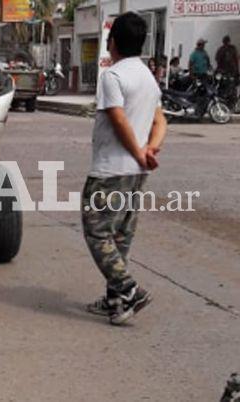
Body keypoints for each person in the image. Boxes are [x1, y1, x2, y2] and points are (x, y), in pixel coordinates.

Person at [82, 12, 167, 325]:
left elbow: (118, 119)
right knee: (120, 236)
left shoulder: (113, 76)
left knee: (96, 230)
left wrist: (138, 151)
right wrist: (149, 150)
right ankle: (115, 301)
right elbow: (160, 121)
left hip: (110, 170)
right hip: (136, 171)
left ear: (112, 41)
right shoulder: (147, 77)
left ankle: (129, 289)